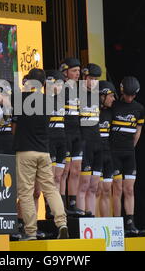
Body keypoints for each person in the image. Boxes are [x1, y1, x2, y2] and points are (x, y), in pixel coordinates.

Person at [12, 68, 69, 241]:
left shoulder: (19, 99)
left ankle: (30, 231)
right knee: (51, 189)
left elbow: (14, 127)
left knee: (26, 193)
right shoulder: (49, 102)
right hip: (44, 152)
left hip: (25, 152)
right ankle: (62, 223)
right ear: (44, 84)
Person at [109, 76, 145, 236]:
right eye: (128, 95)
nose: (130, 98)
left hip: (129, 154)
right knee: (117, 189)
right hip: (113, 153)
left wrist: (131, 147)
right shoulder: (114, 105)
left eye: (133, 95)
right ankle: (117, 224)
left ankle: (130, 223)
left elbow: (138, 130)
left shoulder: (139, 108)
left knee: (129, 189)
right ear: (122, 92)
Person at [59, 57, 85, 216]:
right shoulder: (60, 88)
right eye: (74, 71)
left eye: (79, 71)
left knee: (76, 171)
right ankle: (60, 205)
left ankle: (73, 204)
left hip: (77, 134)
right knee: (64, 171)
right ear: (65, 71)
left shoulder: (80, 90)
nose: (77, 74)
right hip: (65, 134)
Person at [77, 64, 103, 217]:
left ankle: (91, 218)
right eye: (91, 78)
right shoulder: (76, 94)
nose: (93, 82)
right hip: (83, 143)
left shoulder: (96, 95)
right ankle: (80, 217)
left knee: (94, 186)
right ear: (84, 77)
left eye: (95, 79)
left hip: (97, 143)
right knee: (83, 185)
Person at [44, 70, 67, 219]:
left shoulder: (62, 101)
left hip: (62, 140)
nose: (60, 87)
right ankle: (49, 209)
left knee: (58, 177)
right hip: (49, 141)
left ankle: (58, 209)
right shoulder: (43, 100)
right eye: (58, 84)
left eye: (62, 85)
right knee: (51, 178)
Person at [98, 81, 117, 217]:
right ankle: (93, 224)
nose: (113, 99)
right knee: (95, 190)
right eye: (111, 96)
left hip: (108, 155)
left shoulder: (112, 112)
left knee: (107, 190)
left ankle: (107, 223)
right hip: (94, 155)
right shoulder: (91, 112)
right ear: (102, 96)